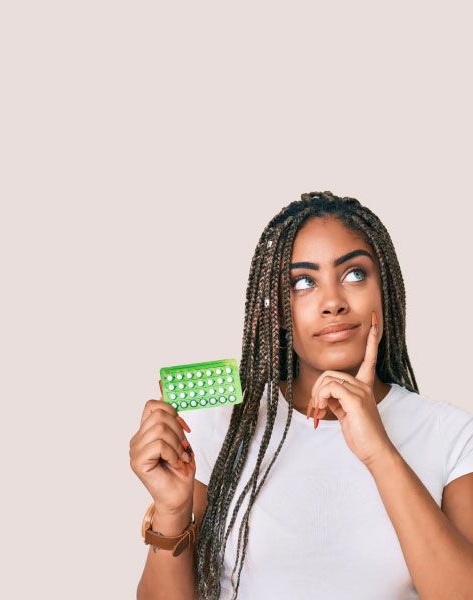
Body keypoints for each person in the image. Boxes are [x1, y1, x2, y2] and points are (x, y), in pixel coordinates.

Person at [129, 191, 473, 599]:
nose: (332, 302)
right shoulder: (221, 429)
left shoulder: (451, 435)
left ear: (387, 288)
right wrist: (170, 511)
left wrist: (379, 452)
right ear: (276, 309)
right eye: (303, 282)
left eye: (355, 274)